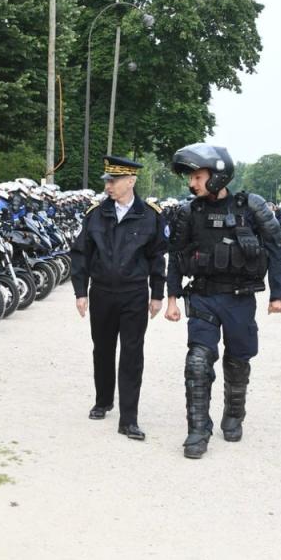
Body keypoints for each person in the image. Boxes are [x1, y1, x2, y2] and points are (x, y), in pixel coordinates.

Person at [164, 143, 281, 459]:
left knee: (237, 361)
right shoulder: (188, 212)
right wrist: (171, 298)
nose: (191, 183)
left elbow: (275, 247)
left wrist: (279, 293)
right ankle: (197, 430)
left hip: (239, 299)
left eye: (197, 176)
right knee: (196, 363)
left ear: (217, 175)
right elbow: (176, 258)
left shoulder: (252, 208)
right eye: (190, 177)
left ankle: (234, 414)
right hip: (204, 297)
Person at [70, 155, 167, 441]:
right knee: (102, 348)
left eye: (113, 181)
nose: (108, 186)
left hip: (134, 293)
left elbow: (157, 257)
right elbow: (81, 254)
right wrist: (80, 291)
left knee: (132, 353)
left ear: (131, 181)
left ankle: (129, 418)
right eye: (107, 181)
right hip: (101, 292)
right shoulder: (96, 214)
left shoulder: (150, 215)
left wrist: (158, 294)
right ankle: (103, 400)